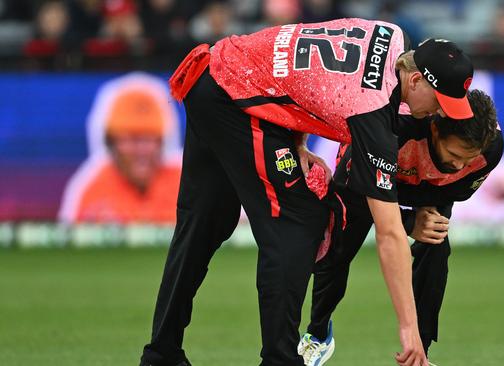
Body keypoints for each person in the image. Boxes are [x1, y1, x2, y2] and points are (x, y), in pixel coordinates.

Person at [139, 18, 474, 366]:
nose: (438, 113)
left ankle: (161, 353)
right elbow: (389, 233)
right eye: (440, 101)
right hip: (236, 98)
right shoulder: (374, 110)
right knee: (298, 222)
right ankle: (280, 360)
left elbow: (306, 61)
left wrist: (295, 139)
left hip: (217, 75)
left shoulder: (391, 33)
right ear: (416, 80)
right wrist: (410, 331)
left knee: (203, 224)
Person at [297, 89, 503, 366]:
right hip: (367, 178)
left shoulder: (490, 150)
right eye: (454, 154)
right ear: (434, 130)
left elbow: (457, 189)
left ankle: (420, 354)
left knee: (436, 245)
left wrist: (422, 218)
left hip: (430, 189)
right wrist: (406, 222)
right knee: (337, 250)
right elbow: (350, 184)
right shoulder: (394, 128)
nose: (458, 165)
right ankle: (318, 334)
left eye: (468, 160)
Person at [59, 72, 182, 224]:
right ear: (111, 143)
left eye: (149, 138)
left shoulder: (187, 181)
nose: (141, 150)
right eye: (131, 139)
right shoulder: (90, 188)